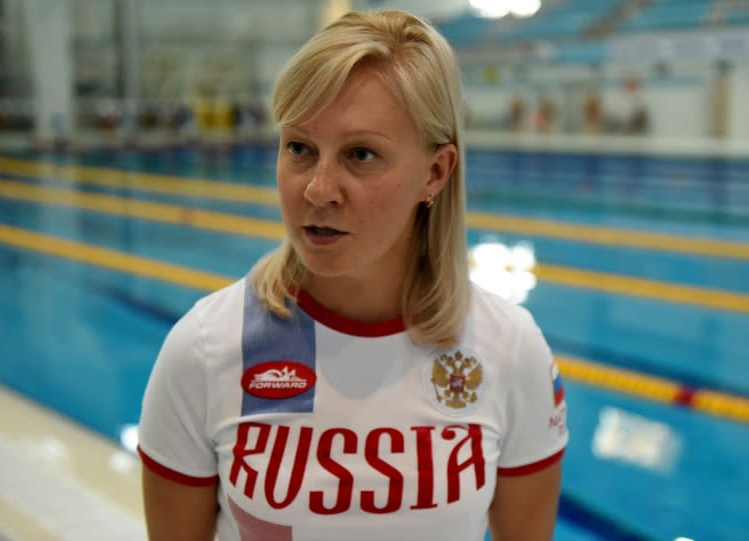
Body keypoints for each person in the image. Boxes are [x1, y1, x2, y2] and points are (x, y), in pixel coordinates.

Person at [137, 9, 568, 541]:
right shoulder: (204, 351)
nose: (318, 190)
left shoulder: (509, 350)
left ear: (435, 172)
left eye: (360, 154)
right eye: (299, 148)